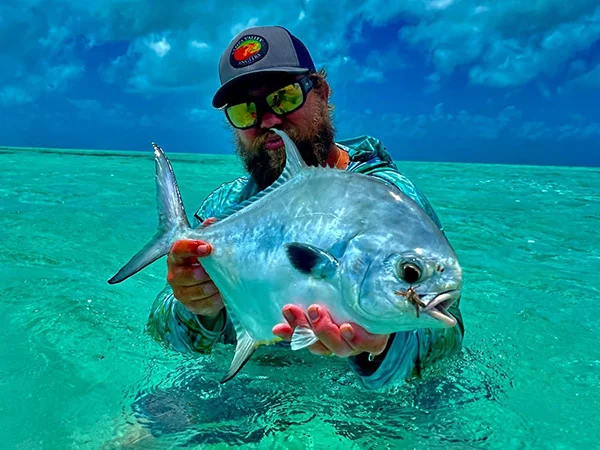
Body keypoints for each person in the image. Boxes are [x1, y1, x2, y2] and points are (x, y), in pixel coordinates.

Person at [147, 25, 464, 390]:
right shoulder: (225, 207)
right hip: (249, 393)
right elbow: (160, 333)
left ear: (323, 93)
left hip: (358, 408)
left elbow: (450, 338)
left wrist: (383, 344)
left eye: (283, 97)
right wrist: (197, 308)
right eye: (245, 111)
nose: (268, 120)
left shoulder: (390, 196)